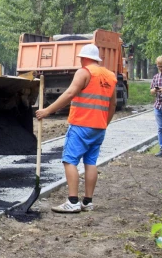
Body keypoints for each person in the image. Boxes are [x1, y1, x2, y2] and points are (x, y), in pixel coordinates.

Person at [35, 44, 117, 213]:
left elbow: (70, 93)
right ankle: (87, 202)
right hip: (99, 127)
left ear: (84, 58)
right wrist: (104, 124)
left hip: (81, 125)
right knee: (90, 163)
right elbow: (113, 104)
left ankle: (72, 201)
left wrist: (47, 111)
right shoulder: (111, 76)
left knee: (69, 160)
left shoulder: (84, 72)